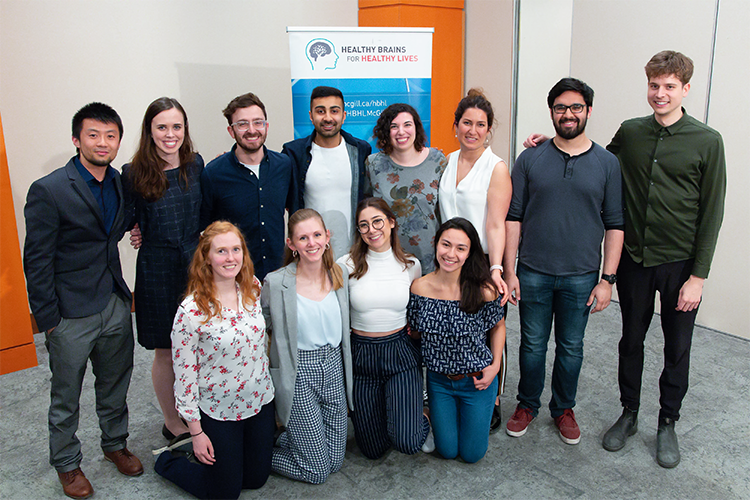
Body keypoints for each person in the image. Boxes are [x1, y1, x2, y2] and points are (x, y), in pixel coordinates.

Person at [524, 51, 726, 468]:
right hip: (634, 259)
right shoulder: (631, 133)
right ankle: (629, 413)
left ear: (685, 89)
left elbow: (712, 212)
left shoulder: (708, 141)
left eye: (670, 86)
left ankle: (667, 421)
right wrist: (551, 145)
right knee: (630, 342)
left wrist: (699, 276)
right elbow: (593, 159)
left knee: (678, 347)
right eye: (654, 85)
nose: (660, 93)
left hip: (679, 264)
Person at [23, 102, 142, 499]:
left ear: (119, 141)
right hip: (69, 311)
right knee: (65, 395)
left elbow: (120, 225)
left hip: (113, 300)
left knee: (115, 383)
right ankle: (68, 464)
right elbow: (36, 259)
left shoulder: (121, 182)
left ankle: (114, 445)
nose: (102, 142)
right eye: (93, 135)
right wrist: (48, 319)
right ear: (77, 140)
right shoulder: (50, 189)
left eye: (110, 136)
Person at [502, 78, 624, 446]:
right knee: (533, 344)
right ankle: (527, 405)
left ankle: (563, 409)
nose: (568, 114)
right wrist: (510, 270)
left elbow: (616, 224)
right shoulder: (530, 158)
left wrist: (607, 280)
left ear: (588, 110)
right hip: (533, 272)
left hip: (582, 276)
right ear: (551, 111)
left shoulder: (607, 163)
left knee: (572, 347)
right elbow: (514, 217)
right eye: (560, 108)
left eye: (575, 107)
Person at [154, 221, 275, 500]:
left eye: (236, 249)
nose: (230, 258)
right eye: (221, 251)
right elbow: (184, 375)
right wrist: (196, 432)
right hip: (218, 409)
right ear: (206, 257)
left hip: (259, 399)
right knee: (225, 493)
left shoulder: (253, 288)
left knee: (256, 479)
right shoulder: (191, 310)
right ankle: (171, 459)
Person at [121, 97, 202, 443]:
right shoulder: (132, 172)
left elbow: (207, 212)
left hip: (196, 267)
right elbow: (126, 218)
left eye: (177, 126)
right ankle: (172, 420)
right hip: (156, 269)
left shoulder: (196, 164)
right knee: (166, 349)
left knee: (200, 344)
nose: (170, 134)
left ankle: (197, 411)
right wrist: (134, 228)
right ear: (149, 131)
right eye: (162, 127)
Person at [262, 209, 353, 484]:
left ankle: (295, 438)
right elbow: (262, 325)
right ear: (291, 244)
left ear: (327, 237)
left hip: (334, 366)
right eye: (303, 238)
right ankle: (256, 455)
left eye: (316, 235)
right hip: (300, 369)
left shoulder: (339, 274)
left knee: (335, 462)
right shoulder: (276, 282)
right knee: (317, 472)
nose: (311, 243)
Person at [439, 88, 511, 431]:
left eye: (480, 124)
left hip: (481, 260)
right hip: (448, 259)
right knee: (457, 333)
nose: (472, 130)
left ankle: (492, 399)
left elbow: (497, 225)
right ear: (455, 125)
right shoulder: (447, 160)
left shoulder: (496, 168)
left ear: (488, 129)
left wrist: (496, 269)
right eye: (466, 122)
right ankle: (458, 393)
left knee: (487, 332)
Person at [337, 197, 431, 459]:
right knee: (373, 450)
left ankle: (423, 414)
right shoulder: (346, 265)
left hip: (399, 353)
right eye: (363, 225)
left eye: (377, 221)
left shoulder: (411, 265)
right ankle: (394, 413)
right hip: (361, 357)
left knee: (407, 442)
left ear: (391, 222)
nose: (371, 230)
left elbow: (416, 314)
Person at [408, 217, 506, 463]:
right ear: (436, 244)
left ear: (469, 252)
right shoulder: (420, 288)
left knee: (472, 455)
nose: (451, 254)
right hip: (439, 383)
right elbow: (416, 332)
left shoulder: (484, 290)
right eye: (446, 245)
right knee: (448, 451)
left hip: (476, 382)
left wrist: (494, 367)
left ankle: (475, 413)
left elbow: (498, 326)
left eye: (460, 248)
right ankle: (430, 414)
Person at [200, 92, 297, 281]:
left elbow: (293, 211)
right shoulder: (214, 174)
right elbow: (204, 230)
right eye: (242, 124)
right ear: (231, 131)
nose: (252, 130)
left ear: (266, 126)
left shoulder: (284, 165)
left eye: (258, 122)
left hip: (279, 274)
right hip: (234, 278)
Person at [283, 86, 372, 258]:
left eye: (334, 111)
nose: (328, 117)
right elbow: (270, 177)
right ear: (311, 116)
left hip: (353, 254)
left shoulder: (360, 150)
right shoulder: (294, 153)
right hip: (310, 254)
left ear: (344, 116)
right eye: (320, 111)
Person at [366, 103, 447, 274]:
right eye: (394, 126)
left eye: (407, 125)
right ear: (386, 132)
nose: (401, 131)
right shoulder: (373, 164)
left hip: (430, 258)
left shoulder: (437, 160)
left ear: (417, 128)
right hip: (389, 258)